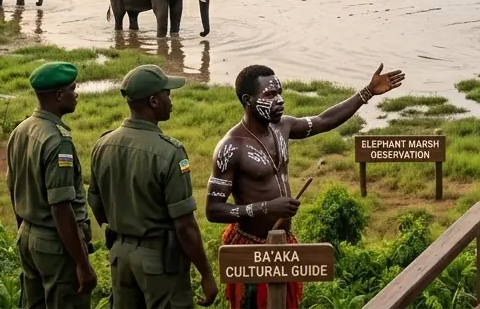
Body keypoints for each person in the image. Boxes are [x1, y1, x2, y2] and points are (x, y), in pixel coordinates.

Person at [206, 64, 406, 309]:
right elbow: (213, 210)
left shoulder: (283, 127)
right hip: (251, 248)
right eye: (270, 95)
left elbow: (324, 120)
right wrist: (266, 207)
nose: (279, 100)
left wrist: (367, 92)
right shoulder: (231, 147)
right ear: (247, 100)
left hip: (284, 243)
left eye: (280, 92)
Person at [89, 65, 217, 308]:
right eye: (167, 93)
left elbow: (96, 205)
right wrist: (206, 274)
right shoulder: (169, 152)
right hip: (159, 262)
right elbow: (185, 226)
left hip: (120, 256)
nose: (171, 99)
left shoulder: (103, 145)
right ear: (153, 101)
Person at [7, 62, 96, 309]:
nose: (76, 94)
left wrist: (24, 229)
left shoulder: (21, 130)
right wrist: (81, 263)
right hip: (55, 243)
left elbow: (12, 187)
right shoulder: (58, 142)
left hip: (27, 234)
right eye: (72, 88)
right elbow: (61, 208)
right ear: (58, 96)